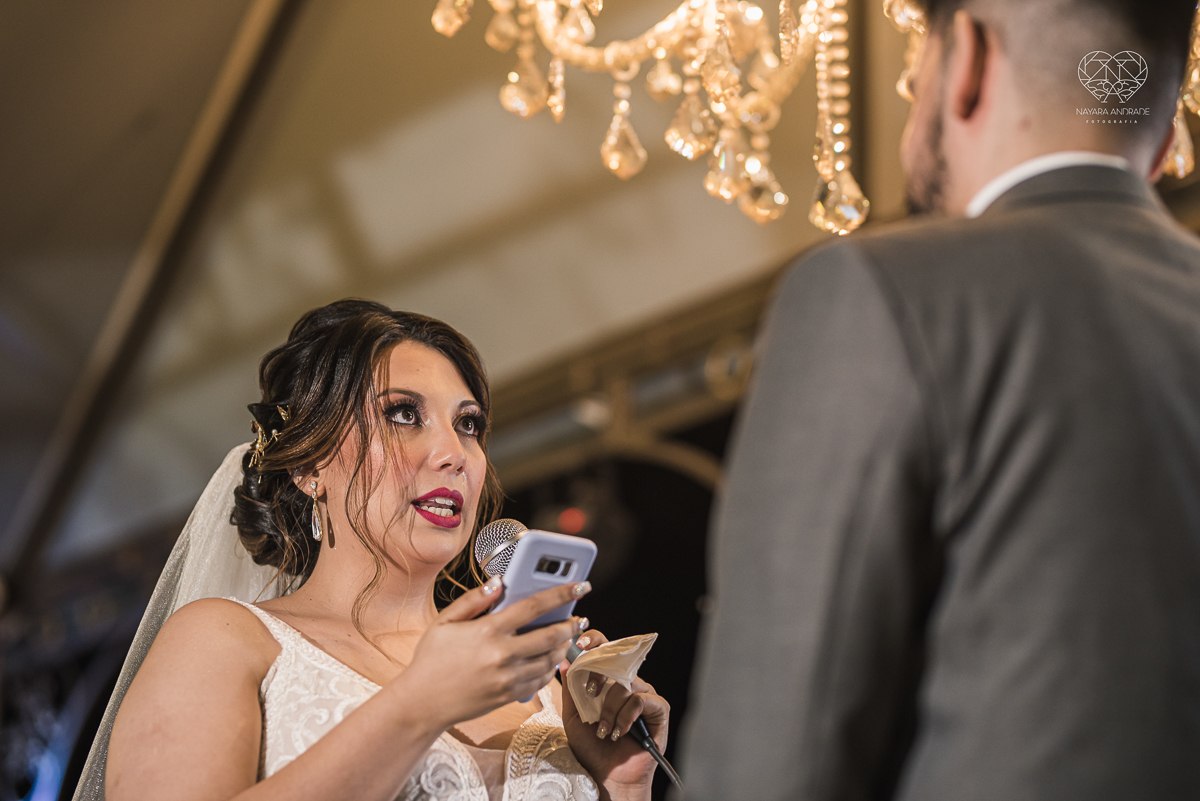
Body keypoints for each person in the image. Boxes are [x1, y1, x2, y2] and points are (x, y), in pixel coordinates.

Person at [677, 0, 1200, 799]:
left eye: (916, 60)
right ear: (1163, 136)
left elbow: (773, 759)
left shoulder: (880, 291)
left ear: (970, 64)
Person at [78, 300, 669, 801]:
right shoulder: (223, 639)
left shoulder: (541, 691)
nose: (453, 453)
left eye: (468, 425)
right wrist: (417, 705)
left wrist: (622, 784)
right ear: (311, 464)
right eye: (403, 415)